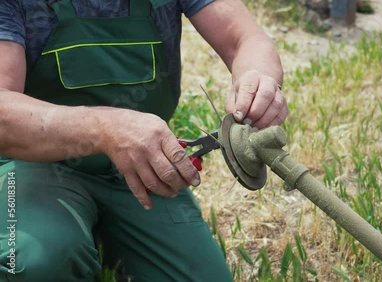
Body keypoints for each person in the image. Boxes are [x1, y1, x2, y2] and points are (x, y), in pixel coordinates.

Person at [0, 0, 288, 281]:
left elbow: (246, 38)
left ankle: (98, 234)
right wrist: (105, 128)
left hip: (146, 166)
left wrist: (258, 78)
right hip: (35, 165)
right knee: (34, 262)